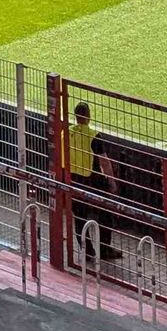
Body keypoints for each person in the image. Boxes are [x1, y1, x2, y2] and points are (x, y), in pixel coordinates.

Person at [68, 99, 120, 261]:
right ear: (89, 117)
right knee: (105, 213)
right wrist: (111, 182)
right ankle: (104, 250)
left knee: (79, 216)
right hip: (92, 178)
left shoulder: (68, 132)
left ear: (75, 116)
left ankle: (87, 251)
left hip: (74, 179)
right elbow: (104, 162)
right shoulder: (93, 136)